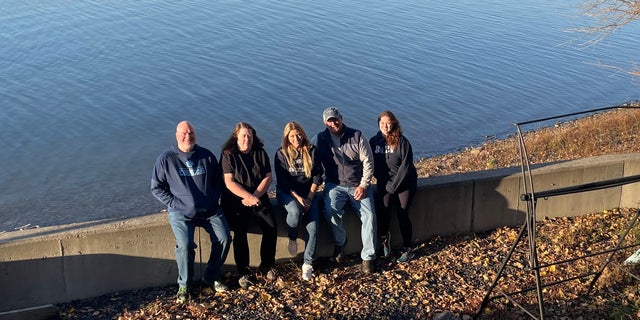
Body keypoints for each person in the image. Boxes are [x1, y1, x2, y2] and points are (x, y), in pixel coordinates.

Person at [151, 121, 232, 303]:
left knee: (224, 237)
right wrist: (174, 203)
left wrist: (212, 198)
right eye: (184, 133)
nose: (188, 136)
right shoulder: (166, 159)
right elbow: (156, 188)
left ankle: (211, 277)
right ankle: (185, 284)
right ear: (176, 135)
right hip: (181, 213)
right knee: (186, 245)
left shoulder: (206, 156)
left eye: (191, 133)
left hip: (210, 210)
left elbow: (218, 181)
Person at [313, 107, 378, 274]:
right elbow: (305, 151)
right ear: (324, 122)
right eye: (330, 120)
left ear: (341, 118)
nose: (334, 123)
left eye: (336, 119)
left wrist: (364, 185)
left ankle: (368, 257)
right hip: (335, 185)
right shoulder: (320, 139)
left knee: (369, 216)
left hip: (358, 184)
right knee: (330, 210)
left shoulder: (356, 136)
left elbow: (368, 162)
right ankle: (340, 242)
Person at [220, 122, 277, 287]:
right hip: (235, 202)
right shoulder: (228, 155)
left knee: (271, 227)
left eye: (250, 135)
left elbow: (268, 177)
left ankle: (266, 265)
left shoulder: (260, 152)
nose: (247, 139)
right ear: (236, 137)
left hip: (258, 198)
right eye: (244, 135)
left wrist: (255, 196)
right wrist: (247, 197)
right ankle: (244, 271)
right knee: (240, 233)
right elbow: (229, 182)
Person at [274, 121, 324, 281]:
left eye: (298, 134)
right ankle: (293, 237)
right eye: (292, 136)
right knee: (295, 211)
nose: (296, 138)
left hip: (308, 193)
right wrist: (298, 199)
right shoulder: (281, 154)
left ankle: (308, 263)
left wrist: (309, 198)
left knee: (314, 227)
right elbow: (283, 181)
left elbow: (318, 176)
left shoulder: (311, 151)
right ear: (287, 138)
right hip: (288, 193)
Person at [369, 111, 418, 263]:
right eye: (382, 123)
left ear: (394, 123)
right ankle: (384, 241)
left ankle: (408, 248)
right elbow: (371, 163)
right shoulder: (374, 141)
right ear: (378, 124)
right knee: (383, 212)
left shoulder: (402, 142)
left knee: (402, 213)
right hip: (385, 182)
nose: (385, 126)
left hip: (405, 183)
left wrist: (393, 186)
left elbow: (406, 166)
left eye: (388, 123)